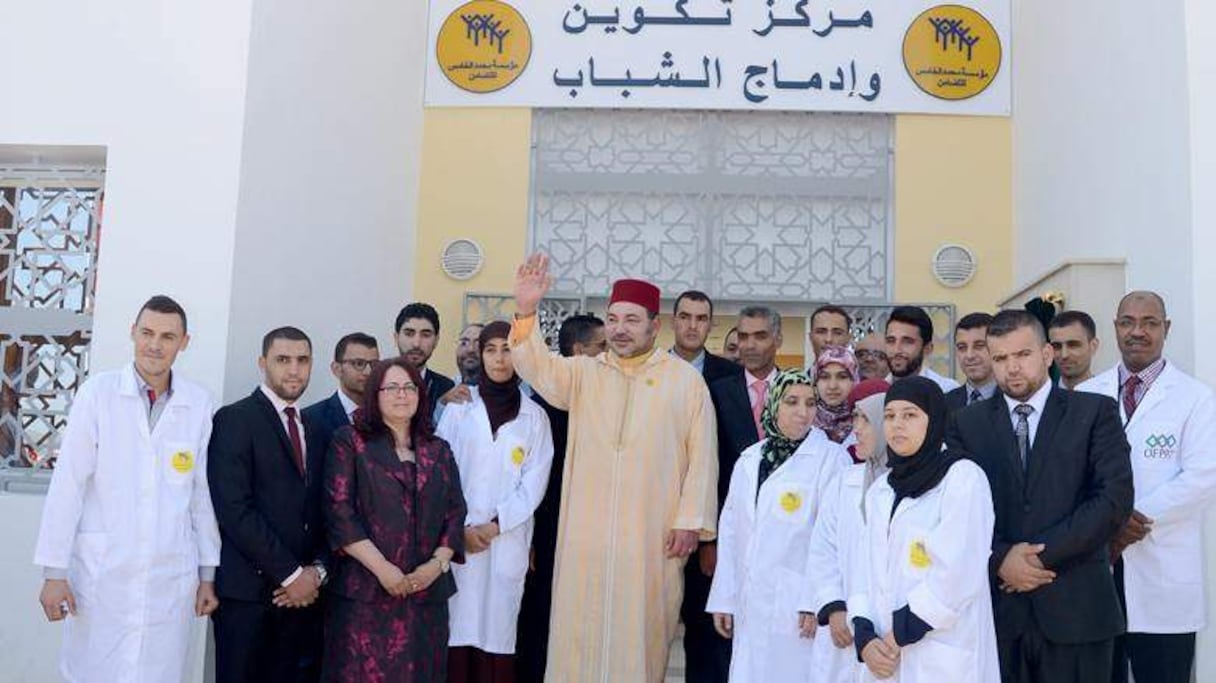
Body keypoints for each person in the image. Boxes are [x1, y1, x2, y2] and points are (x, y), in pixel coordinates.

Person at [509, 254, 718, 682]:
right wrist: (527, 310)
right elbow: (534, 366)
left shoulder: (684, 381)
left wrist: (691, 522)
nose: (620, 328)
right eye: (614, 318)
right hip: (586, 538)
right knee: (576, 635)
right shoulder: (584, 373)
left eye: (632, 320)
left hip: (651, 537)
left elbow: (703, 457)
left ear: (654, 326)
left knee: (641, 638)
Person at [34, 296, 221, 682]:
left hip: (170, 576)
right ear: (132, 333)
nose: (155, 345)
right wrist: (54, 572)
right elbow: (68, 484)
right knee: (92, 670)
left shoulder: (197, 404)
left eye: (168, 336)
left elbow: (201, 495)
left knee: (161, 672)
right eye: (147, 333)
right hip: (103, 575)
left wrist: (207, 573)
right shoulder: (98, 394)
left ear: (184, 342)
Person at [947, 310, 1133, 683]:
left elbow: (1113, 500)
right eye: (1000, 358)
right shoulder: (966, 424)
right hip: (998, 613)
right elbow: (955, 512)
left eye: (1022, 355)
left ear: (1047, 354)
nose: (1011, 368)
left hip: (1077, 611)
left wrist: (1033, 560)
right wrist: (1000, 558)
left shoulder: (1096, 411)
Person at [1078, 292, 1216, 683]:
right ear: (1116, 327)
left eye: (1149, 323)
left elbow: (1203, 475)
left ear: (1165, 329)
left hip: (1162, 568)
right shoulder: (1087, 396)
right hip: (1098, 564)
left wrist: (1128, 521)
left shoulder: (1196, 398)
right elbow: (1072, 476)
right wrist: (1105, 526)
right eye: (1127, 322)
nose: (1137, 332)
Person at [322, 357, 466, 682]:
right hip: (367, 596)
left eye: (409, 387)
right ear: (375, 394)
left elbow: (456, 512)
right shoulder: (350, 441)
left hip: (426, 598)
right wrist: (383, 569)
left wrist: (437, 565)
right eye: (392, 388)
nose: (402, 395)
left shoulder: (438, 449)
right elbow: (339, 512)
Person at [851, 377, 999, 682]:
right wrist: (865, 636)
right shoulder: (882, 489)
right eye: (890, 416)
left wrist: (895, 637)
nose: (896, 425)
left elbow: (958, 577)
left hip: (939, 654)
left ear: (933, 421)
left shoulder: (962, 478)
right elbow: (863, 569)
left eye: (910, 415)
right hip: (884, 656)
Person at [705, 369, 851, 680]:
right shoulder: (750, 459)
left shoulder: (831, 460)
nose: (802, 412)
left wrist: (815, 599)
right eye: (791, 402)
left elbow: (833, 538)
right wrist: (724, 598)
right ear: (773, 404)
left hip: (798, 604)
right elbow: (731, 532)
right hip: (750, 600)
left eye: (811, 403)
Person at [209, 327, 329, 683]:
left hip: (304, 602)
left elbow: (324, 512)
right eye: (283, 360)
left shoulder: (316, 429)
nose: (294, 370)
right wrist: (291, 575)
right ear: (263, 364)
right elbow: (234, 509)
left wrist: (315, 575)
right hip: (248, 600)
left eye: (302, 360)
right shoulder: (234, 419)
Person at [438, 321, 555, 681]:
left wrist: (493, 526)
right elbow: (441, 474)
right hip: (460, 539)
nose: (499, 359)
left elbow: (534, 485)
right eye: (491, 349)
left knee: (498, 632)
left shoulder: (534, 417)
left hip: (504, 540)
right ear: (481, 355)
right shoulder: (458, 409)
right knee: (457, 627)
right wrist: (462, 528)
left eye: (508, 349)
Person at [696, 305, 785, 682]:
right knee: (721, 636)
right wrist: (709, 540)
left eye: (760, 336)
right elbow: (706, 468)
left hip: (787, 537)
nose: (750, 345)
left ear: (777, 340)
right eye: (743, 336)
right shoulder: (714, 393)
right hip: (733, 535)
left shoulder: (799, 391)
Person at [516, 314, 605, 683]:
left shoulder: (599, 398)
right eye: (601, 346)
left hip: (586, 532)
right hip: (546, 534)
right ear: (579, 351)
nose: (607, 354)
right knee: (540, 620)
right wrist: (534, 540)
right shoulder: (541, 408)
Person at [802, 379, 890, 683]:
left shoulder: (917, 486)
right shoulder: (845, 481)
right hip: (842, 630)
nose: (856, 429)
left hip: (889, 634)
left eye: (866, 418)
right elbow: (823, 548)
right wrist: (834, 605)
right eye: (854, 417)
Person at [303, 332, 379, 452]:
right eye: (359, 363)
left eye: (374, 364)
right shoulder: (311, 419)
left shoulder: (386, 415)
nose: (368, 371)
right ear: (337, 369)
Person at [395, 302, 456, 422]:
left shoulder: (446, 388)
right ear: (396, 337)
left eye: (425, 335)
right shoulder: (378, 382)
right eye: (409, 334)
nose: (416, 343)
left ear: (436, 340)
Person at [884, 306, 960, 392]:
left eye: (907, 342)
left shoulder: (946, 390)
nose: (896, 350)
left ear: (927, 349)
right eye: (891, 341)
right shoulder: (876, 391)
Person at [672, 290, 740, 385]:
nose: (693, 326)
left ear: (710, 326)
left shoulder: (733, 374)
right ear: (673, 322)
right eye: (684, 317)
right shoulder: (649, 369)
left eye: (701, 319)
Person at [946, 313, 997, 412]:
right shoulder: (944, 403)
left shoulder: (1014, 401)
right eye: (962, 347)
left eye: (979, 346)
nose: (969, 355)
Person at [813, 345, 859, 446]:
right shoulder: (804, 421)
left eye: (842, 377)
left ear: (854, 380)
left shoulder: (863, 423)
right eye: (824, 377)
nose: (832, 386)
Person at [1048, 311, 1100, 390]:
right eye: (1057, 346)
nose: (1064, 355)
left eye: (1073, 345)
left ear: (1093, 346)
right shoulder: (1040, 399)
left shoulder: (1112, 397)